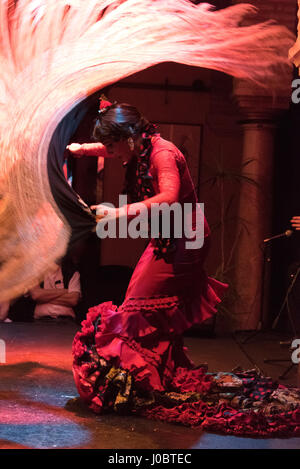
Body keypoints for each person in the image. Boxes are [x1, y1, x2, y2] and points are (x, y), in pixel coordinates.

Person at [70, 101, 300, 437]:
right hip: (169, 237)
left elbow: (168, 197)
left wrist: (118, 213)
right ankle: (155, 376)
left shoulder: (162, 153)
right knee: (140, 303)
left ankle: (145, 381)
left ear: (130, 138)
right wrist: (82, 149)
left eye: (115, 147)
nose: (115, 155)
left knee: (138, 307)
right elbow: (111, 146)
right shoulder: (139, 142)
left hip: (186, 239)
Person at [30, 257, 81, 321]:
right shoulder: (35, 273)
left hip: (66, 321)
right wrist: (63, 291)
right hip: (41, 321)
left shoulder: (71, 273)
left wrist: (43, 297)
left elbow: (73, 300)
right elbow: (36, 295)